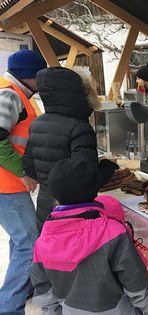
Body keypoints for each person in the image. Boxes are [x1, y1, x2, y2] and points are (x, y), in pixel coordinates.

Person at [31, 157, 148, 315]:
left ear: (55, 196)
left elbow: (44, 291)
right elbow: (137, 284)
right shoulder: (113, 232)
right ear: (95, 192)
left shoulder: (43, 240)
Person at [23, 66, 106, 231]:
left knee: (53, 254)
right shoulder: (79, 127)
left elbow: (30, 168)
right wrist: (107, 169)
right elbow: (85, 178)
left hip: (45, 208)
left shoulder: (37, 123)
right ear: (76, 94)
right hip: (74, 214)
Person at [0, 49, 46, 315]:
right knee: (30, 243)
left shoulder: (15, 94)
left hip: (9, 184)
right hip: (7, 185)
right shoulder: (8, 95)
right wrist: (22, 173)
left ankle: (20, 288)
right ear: (30, 76)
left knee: (19, 242)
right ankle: (9, 307)